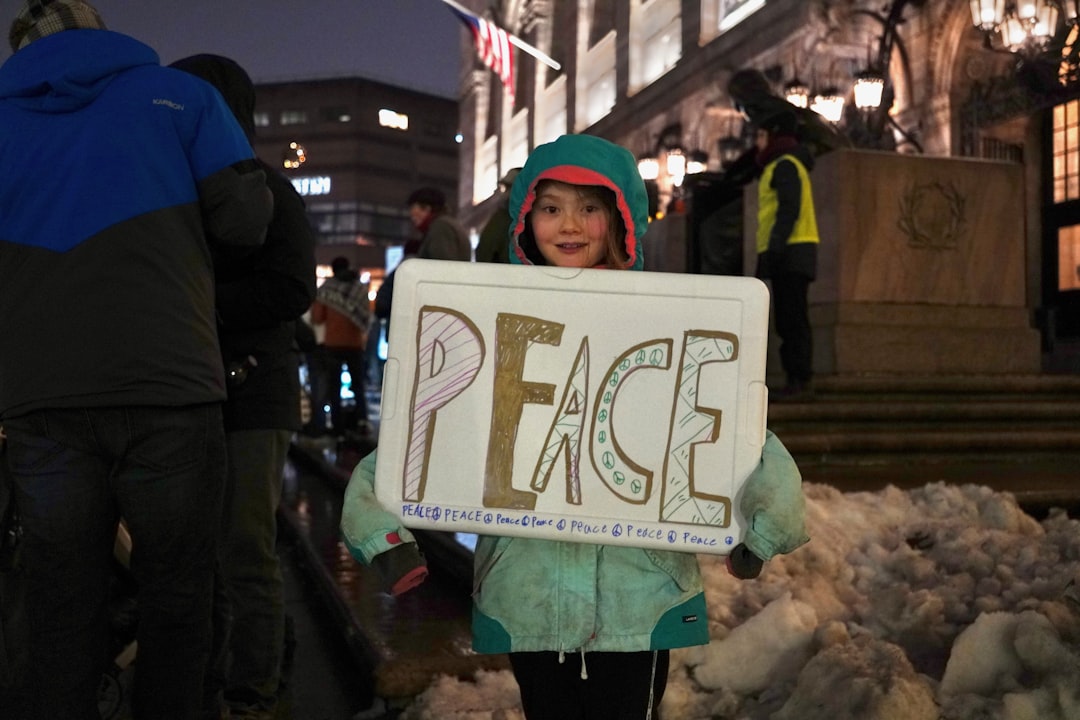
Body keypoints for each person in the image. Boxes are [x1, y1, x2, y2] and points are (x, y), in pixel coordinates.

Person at [340, 134, 809, 720]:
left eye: (590, 207)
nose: (570, 225)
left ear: (620, 219)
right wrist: (384, 534)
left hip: (639, 597)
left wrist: (766, 521)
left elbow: (732, 419)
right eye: (552, 207)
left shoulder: (668, 315)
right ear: (525, 218)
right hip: (525, 591)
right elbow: (427, 424)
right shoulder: (495, 318)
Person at [0, 3, 273, 719]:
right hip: (169, 382)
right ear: (101, 33)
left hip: (41, 396)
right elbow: (246, 222)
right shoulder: (183, 99)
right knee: (178, 597)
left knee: (61, 600)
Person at [169, 53, 317, 720]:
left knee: (243, 547)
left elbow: (291, 288)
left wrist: (200, 303)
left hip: (251, 393)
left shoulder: (270, 191)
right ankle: (240, 666)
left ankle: (253, 687)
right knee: (209, 548)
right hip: (191, 387)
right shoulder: (180, 186)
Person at [753, 109, 821, 401]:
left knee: (791, 319)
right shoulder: (786, 164)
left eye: (760, 135)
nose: (756, 142)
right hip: (792, 252)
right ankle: (797, 379)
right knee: (790, 318)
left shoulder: (784, 165)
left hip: (790, 252)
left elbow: (787, 209)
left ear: (772, 136)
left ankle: (799, 380)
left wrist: (777, 247)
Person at [311, 257, 373, 438]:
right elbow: (365, 317)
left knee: (334, 387)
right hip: (354, 344)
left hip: (333, 345)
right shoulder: (359, 289)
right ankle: (362, 421)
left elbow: (317, 318)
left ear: (332, 270)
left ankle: (338, 428)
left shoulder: (327, 290)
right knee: (358, 386)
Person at [406, 186, 472, 261]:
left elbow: (442, 264)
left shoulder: (440, 227)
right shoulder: (446, 224)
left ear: (427, 208)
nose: (412, 217)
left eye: (414, 211)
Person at [474, 168, 521, 263]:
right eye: (505, 188)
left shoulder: (529, 220)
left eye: (509, 188)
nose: (505, 194)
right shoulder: (501, 216)